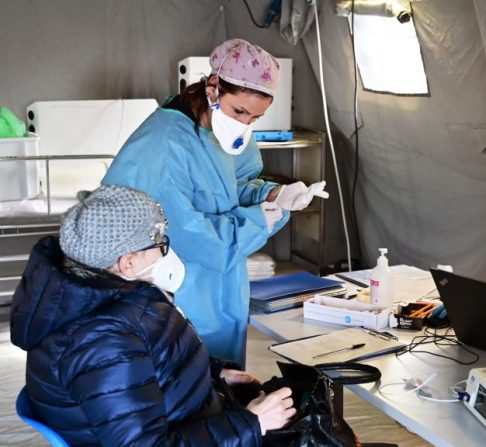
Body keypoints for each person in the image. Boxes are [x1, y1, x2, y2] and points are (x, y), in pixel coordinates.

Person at [10, 185, 296, 445]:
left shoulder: (102, 298)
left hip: (197, 416)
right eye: (159, 245)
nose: (165, 253)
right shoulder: (99, 341)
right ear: (128, 262)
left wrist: (210, 372)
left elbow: (144, 367)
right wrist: (252, 424)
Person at [102, 38, 326, 366]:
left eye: (255, 118)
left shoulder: (221, 131)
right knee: (185, 384)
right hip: (172, 293)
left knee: (223, 387)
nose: (244, 124)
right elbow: (198, 241)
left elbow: (235, 185)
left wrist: (273, 195)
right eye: (240, 111)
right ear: (213, 87)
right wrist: (261, 219)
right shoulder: (165, 147)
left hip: (217, 288)